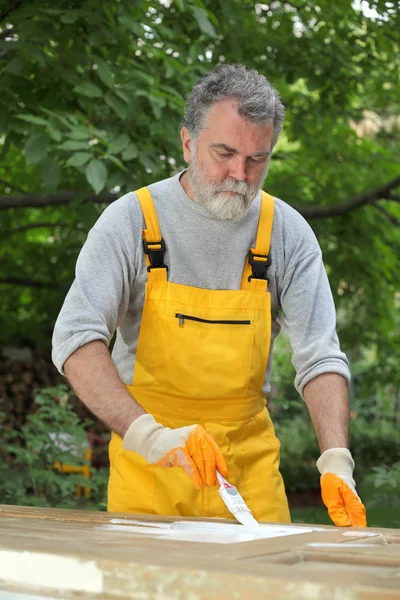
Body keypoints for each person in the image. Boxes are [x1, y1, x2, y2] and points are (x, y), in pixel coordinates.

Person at [52, 64, 367, 527]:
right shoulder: (132, 221)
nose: (239, 174)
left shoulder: (287, 234)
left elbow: (320, 358)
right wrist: (151, 437)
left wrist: (336, 459)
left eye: (257, 159)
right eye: (225, 153)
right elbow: (76, 340)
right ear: (187, 142)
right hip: (153, 465)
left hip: (249, 471)